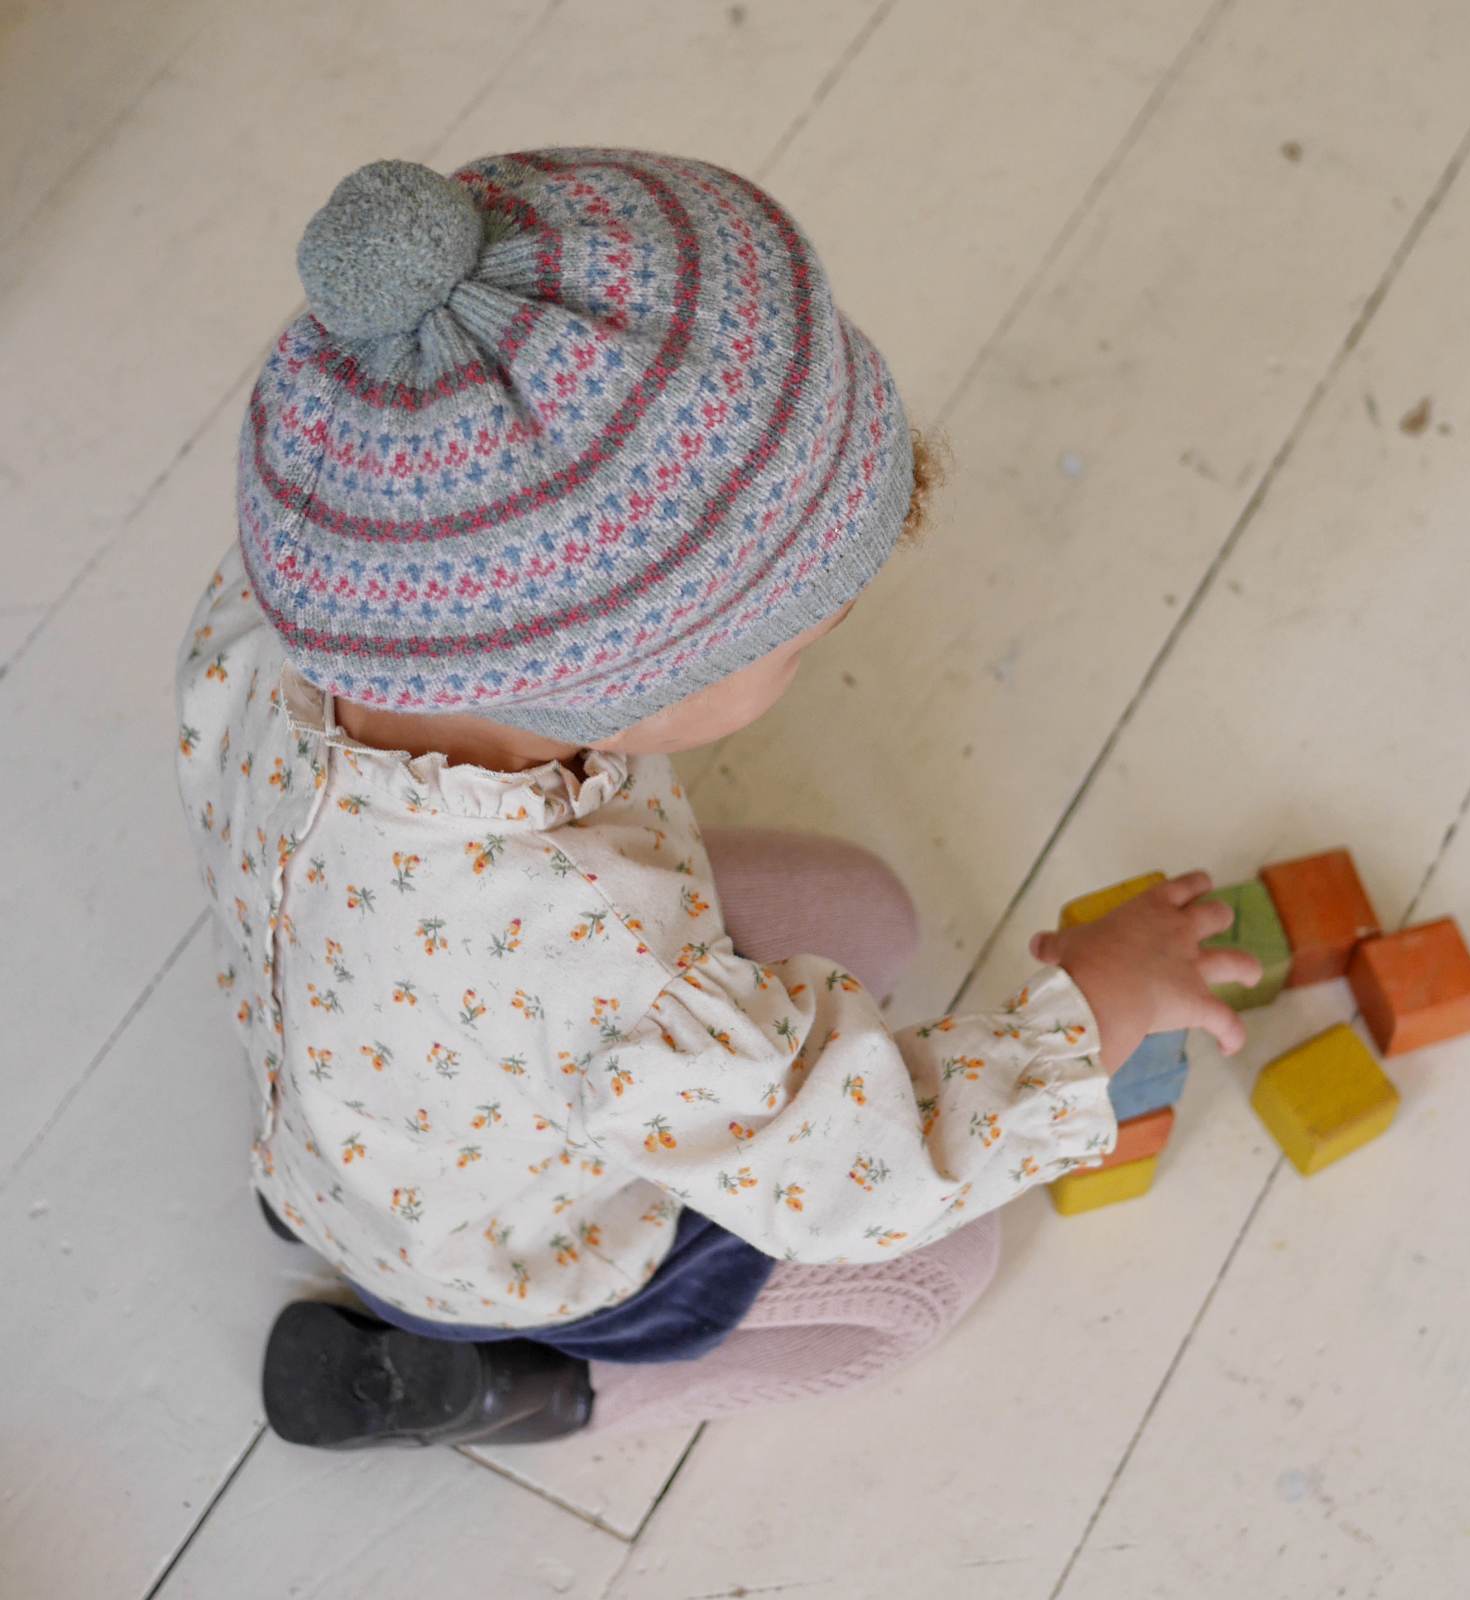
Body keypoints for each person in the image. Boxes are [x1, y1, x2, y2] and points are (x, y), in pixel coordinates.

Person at [175, 151, 1260, 1450]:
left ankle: (333, 1214)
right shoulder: (610, 971)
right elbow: (878, 1169)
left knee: (864, 911)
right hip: (512, 1256)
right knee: (929, 1284)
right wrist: (1093, 1018)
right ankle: (519, 1388)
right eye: (792, 643)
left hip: (371, 1084)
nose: (816, 651)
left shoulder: (293, 618)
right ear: (610, 691)